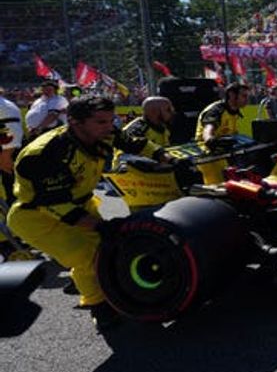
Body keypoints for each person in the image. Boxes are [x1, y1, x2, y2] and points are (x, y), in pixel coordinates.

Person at [7, 95, 166, 331]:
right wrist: (101, 226)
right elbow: (58, 206)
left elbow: (135, 143)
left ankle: (83, 279)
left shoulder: (103, 133)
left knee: (109, 248)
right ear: (74, 122)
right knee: (89, 256)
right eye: (101, 122)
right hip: (38, 216)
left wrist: (166, 157)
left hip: (80, 202)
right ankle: (98, 308)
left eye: (111, 120)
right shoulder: (45, 153)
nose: (109, 127)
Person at [112, 96, 176, 170]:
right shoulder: (137, 129)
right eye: (168, 110)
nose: (172, 112)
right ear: (154, 112)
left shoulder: (163, 125)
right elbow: (124, 156)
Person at [0, 89, 25, 203]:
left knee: (7, 168)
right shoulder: (8, 103)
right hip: (11, 135)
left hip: (7, 135)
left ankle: (17, 197)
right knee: (8, 171)